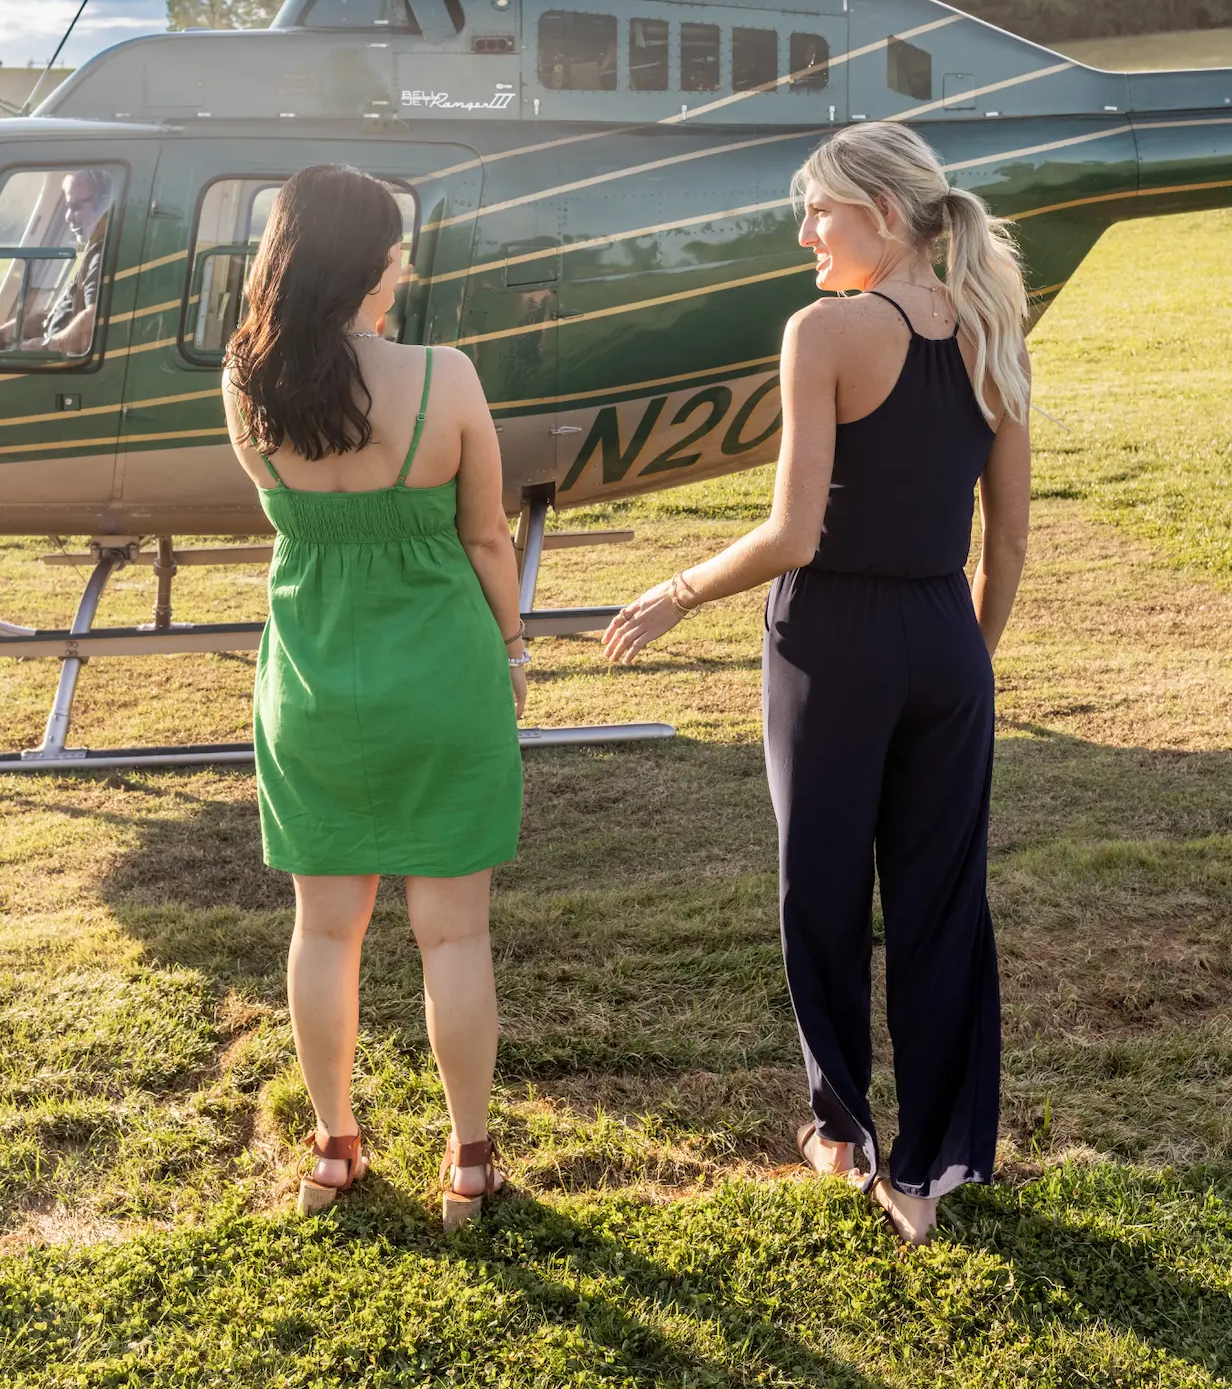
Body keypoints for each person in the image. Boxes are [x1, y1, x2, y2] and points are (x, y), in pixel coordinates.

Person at [603, 121, 1031, 1248]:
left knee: (822, 892)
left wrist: (677, 588)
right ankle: (930, 1165)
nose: (803, 233)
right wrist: (960, 661)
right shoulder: (992, 327)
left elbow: (793, 531)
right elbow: (1010, 547)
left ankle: (840, 1130)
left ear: (881, 216)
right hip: (946, 634)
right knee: (940, 906)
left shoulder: (825, 330)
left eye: (818, 210)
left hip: (830, 640)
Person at [222, 164, 526, 1228]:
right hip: (442, 674)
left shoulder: (245, 382)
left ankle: (334, 1146)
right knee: (454, 936)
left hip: (311, 679)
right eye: (395, 245)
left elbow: (287, 518)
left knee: (324, 930)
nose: (404, 261)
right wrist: (514, 647)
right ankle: (472, 1164)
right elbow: (486, 536)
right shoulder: (448, 375)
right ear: (365, 258)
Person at [0, 168, 112, 355]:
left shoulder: (102, 255)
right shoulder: (93, 251)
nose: (68, 217)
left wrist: (49, 347)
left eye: (75, 206)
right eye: (66, 206)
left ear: (103, 205)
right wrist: (14, 329)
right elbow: (64, 314)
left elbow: (94, 317)